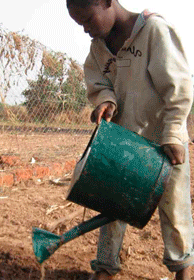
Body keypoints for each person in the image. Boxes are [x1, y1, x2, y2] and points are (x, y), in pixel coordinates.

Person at [65, 0, 194, 279]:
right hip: (126, 143)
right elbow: (99, 85)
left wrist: (173, 131)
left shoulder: (153, 31)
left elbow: (179, 87)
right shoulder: (98, 48)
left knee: (174, 212)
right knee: (111, 202)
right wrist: (106, 101)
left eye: (88, 20)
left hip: (165, 143)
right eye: (81, 25)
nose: (86, 30)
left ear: (107, 2)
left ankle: (183, 270)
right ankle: (105, 268)